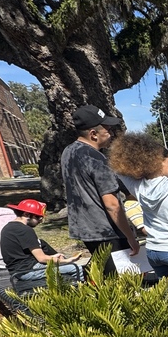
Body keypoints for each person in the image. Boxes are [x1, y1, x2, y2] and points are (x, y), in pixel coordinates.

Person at [109, 133, 168, 309]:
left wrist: (133, 162)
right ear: (156, 161)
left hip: (155, 251)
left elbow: (119, 171)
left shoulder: (138, 188)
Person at [60, 104, 140, 273]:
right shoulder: (96, 158)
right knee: (123, 282)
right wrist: (130, 236)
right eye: (108, 130)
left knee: (103, 276)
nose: (111, 134)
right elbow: (112, 204)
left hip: (85, 229)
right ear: (93, 134)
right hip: (107, 231)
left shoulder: (68, 152)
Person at [0, 198, 82, 291]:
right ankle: (81, 294)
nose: (40, 220)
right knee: (76, 268)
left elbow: (23, 254)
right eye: (38, 217)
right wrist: (67, 261)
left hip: (18, 270)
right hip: (28, 271)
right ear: (26, 214)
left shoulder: (8, 227)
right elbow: (41, 258)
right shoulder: (25, 230)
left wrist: (53, 256)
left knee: (63, 265)